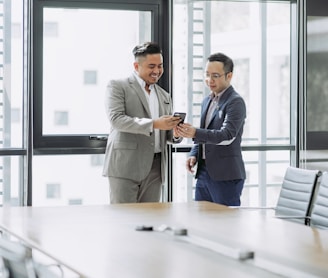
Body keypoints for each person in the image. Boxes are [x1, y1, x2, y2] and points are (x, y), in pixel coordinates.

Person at [102, 42, 182, 204]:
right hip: (125, 165)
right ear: (136, 66)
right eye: (151, 66)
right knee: (124, 220)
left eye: (160, 66)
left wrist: (175, 133)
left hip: (156, 167)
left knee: (150, 220)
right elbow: (117, 120)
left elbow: (164, 132)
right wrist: (154, 124)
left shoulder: (165, 96)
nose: (157, 71)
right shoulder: (118, 86)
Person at [175, 52, 246, 206]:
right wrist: (194, 153)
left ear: (229, 76)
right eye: (207, 75)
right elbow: (205, 132)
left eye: (215, 75)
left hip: (225, 175)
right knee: (202, 222)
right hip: (203, 172)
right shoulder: (207, 100)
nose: (209, 80)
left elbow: (227, 135)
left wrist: (195, 132)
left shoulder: (235, 102)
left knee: (225, 225)